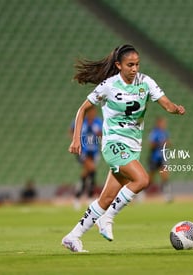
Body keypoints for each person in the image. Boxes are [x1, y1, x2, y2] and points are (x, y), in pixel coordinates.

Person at [61, 44, 185, 252]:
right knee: (142, 179)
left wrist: (175, 109)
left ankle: (73, 237)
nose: (135, 68)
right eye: (130, 65)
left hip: (132, 146)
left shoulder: (146, 82)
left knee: (106, 198)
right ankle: (107, 218)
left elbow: (165, 103)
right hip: (113, 144)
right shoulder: (108, 86)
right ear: (119, 65)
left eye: (137, 64)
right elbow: (83, 109)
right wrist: (76, 140)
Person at [69, 106, 102, 210]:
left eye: (94, 111)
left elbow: (101, 134)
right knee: (92, 169)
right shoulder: (80, 120)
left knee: (86, 173)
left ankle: (77, 197)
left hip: (94, 151)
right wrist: (75, 140)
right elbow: (71, 131)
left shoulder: (98, 122)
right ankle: (90, 197)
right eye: (91, 111)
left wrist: (98, 135)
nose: (93, 113)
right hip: (82, 151)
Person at [148, 116, 172, 202]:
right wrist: (159, 143)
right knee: (150, 179)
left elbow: (169, 142)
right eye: (162, 123)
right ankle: (140, 194)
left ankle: (167, 196)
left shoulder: (165, 132)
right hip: (154, 158)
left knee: (165, 176)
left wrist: (166, 143)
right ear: (158, 123)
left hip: (162, 157)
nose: (164, 124)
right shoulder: (154, 133)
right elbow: (151, 144)